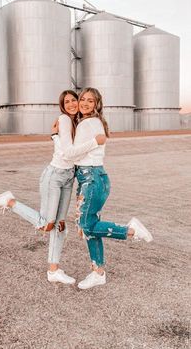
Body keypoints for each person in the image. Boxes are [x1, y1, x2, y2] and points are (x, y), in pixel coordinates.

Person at [0, 90, 106, 285]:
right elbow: (68, 154)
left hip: (68, 177)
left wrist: (54, 137)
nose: (72, 104)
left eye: (74, 100)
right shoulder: (65, 120)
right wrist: (93, 142)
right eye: (66, 102)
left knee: (60, 226)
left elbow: (69, 151)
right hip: (55, 176)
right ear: (62, 105)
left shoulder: (76, 122)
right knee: (46, 224)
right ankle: (9, 202)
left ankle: (53, 270)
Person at [53, 87, 153, 290]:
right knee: (90, 227)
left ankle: (131, 231)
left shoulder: (88, 123)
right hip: (92, 178)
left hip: (92, 179)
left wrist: (59, 137)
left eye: (91, 100)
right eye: (83, 99)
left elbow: (70, 153)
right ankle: (98, 273)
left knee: (86, 226)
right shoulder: (88, 122)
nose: (85, 103)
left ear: (97, 104)